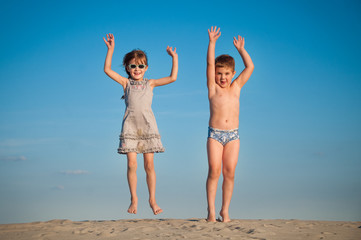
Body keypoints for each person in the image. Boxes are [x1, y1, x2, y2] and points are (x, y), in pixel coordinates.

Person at [103, 33, 178, 215]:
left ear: (146, 68)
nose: (137, 69)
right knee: (131, 164)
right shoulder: (126, 83)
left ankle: (152, 199)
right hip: (130, 127)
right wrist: (110, 50)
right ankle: (134, 199)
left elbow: (172, 78)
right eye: (133, 66)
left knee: (149, 165)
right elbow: (107, 70)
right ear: (128, 68)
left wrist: (174, 58)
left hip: (148, 127)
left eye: (141, 66)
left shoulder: (150, 83)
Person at [206, 26, 254, 222]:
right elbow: (209, 63)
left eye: (226, 73)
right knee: (214, 171)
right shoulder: (212, 88)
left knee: (230, 173)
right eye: (219, 73)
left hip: (233, 136)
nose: (222, 77)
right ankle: (210, 211)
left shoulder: (236, 87)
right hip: (215, 135)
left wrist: (241, 50)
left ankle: (225, 210)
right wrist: (212, 42)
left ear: (233, 73)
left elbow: (250, 67)